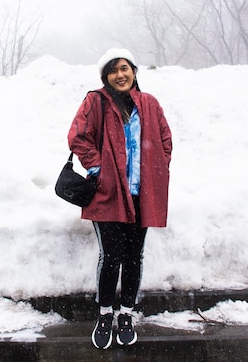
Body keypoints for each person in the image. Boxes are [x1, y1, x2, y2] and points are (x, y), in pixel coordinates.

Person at [67, 48, 172, 349]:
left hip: (142, 193)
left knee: (134, 257)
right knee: (111, 256)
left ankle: (126, 313)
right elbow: (78, 137)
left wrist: (159, 167)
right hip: (108, 194)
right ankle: (104, 314)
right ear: (106, 77)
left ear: (134, 71)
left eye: (124, 68)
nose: (120, 74)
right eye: (113, 70)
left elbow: (165, 139)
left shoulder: (150, 104)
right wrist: (98, 168)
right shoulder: (96, 102)